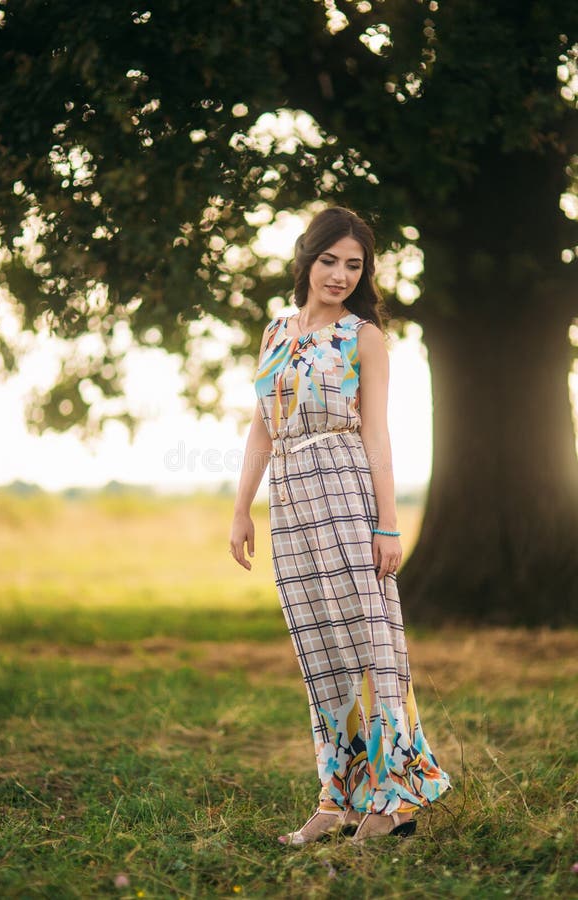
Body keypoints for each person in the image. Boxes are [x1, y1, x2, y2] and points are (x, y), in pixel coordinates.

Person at [229, 206, 452, 846]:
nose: (341, 274)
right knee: (317, 650)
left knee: (370, 646)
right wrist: (242, 507)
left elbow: (377, 432)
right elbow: (261, 424)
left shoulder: (365, 337)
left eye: (354, 265)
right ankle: (336, 797)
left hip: (347, 490)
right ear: (307, 258)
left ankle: (391, 801)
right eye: (331, 260)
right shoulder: (276, 331)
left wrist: (389, 524)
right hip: (291, 500)